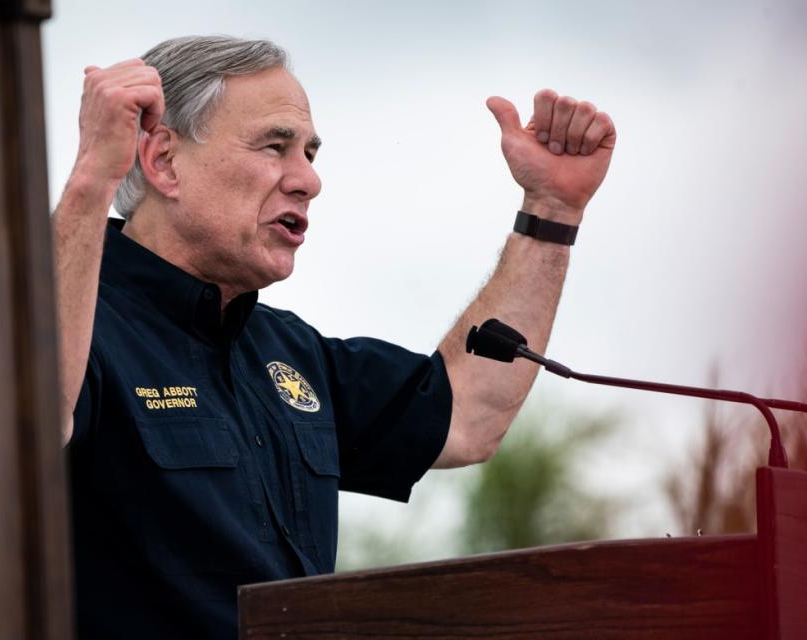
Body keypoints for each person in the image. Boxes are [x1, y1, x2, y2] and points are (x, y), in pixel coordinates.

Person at [53, 35, 615, 639]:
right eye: (275, 146)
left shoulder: (291, 354)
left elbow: (467, 417)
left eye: (310, 155)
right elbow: (28, 424)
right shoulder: (73, 324)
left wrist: (551, 209)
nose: (308, 181)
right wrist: (91, 181)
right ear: (162, 161)